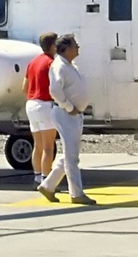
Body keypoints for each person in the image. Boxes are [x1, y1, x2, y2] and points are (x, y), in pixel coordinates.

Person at [36, 34, 94, 205]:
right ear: (67, 49)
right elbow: (55, 90)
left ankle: (48, 186)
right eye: (75, 45)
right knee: (72, 157)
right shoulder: (59, 65)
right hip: (65, 114)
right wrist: (70, 107)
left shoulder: (69, 65)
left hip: (73, 114)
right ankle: (76, 193)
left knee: (68, 153)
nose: (78, 48)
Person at [24, 32, 59, 186]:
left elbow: (24, 87)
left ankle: (37, 176)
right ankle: (46, 179)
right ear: (53, 46)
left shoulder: (32, 63)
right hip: (45, 104)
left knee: (37, 145)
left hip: (31, 104)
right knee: (48, 147)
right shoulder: (52, 63)